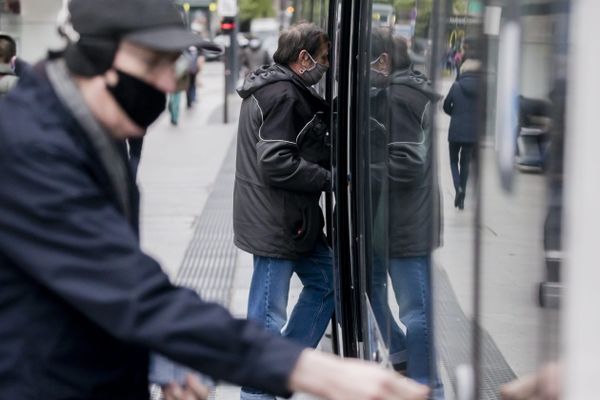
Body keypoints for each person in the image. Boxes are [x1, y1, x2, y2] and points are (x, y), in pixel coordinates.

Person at [0, 1, 430, 400]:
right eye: (153, 64)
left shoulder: (94, 125)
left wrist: (160, 358)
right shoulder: (28, 147)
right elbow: (131, 291)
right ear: (92, 57)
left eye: (176, 66)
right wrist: (315, 371)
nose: (170, 84)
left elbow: (92, 284)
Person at [233, 23, 336, 400]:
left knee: (328, 284)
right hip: (277, 223)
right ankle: (259, 390)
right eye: (324, 59)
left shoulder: (275, 87)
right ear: (303, 58)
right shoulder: (284, 96)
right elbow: (276, 161)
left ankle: (284, 368)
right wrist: (329, 178)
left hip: (290, 221)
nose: (327, 67)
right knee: (267, 316)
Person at [370, 33, 443, 398]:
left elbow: (407, 162)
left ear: (383, 61)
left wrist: (360, 171)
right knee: (376, 290)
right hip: (404, 218)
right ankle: (404, 358)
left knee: (415, 311)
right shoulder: (408, 89)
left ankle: (429, 387)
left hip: (404, 222)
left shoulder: (398, 97)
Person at [443, 37, 481, 210]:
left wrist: (455, 114)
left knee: (453, 161)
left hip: (456, 130)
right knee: (465, 163)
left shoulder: (457, 86)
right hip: (471, 133)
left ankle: (458, 186)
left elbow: (445, 106)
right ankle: (462, 194)